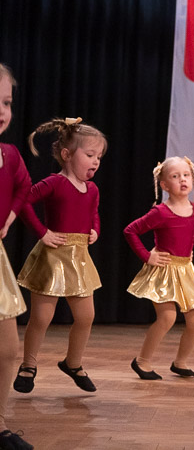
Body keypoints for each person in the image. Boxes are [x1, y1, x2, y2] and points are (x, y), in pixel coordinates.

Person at [14, 117, 107, 394]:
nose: (96, 161)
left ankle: (73, 363)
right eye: (90, 155)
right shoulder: (54, 183)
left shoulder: (92, 189)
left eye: (99, 157)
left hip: (79, 257)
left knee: (86, 316)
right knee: (42, 317)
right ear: (67, 155)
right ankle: (28, 365)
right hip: (52, 257)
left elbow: (93, 213)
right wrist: (42, 232)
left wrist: (95, 230)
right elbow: (23, 202)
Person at [124, 157, 194, 380]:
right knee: (167, 317)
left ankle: (180, 362)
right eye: (175, 176)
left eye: (186, 175)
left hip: (185, 270)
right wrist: (147, 256)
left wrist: (189, 252)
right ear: (164, 185)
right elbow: (130, 231)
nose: (182, 179)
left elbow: (189, 234)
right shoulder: (160, 212)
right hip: (164, 270)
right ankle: (142, 361)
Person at [0, 64, 34, 450]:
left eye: (6, 103)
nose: (2, 111)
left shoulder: (8, 154)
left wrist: (9, 218)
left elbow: (23, 187)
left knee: (7, 349)